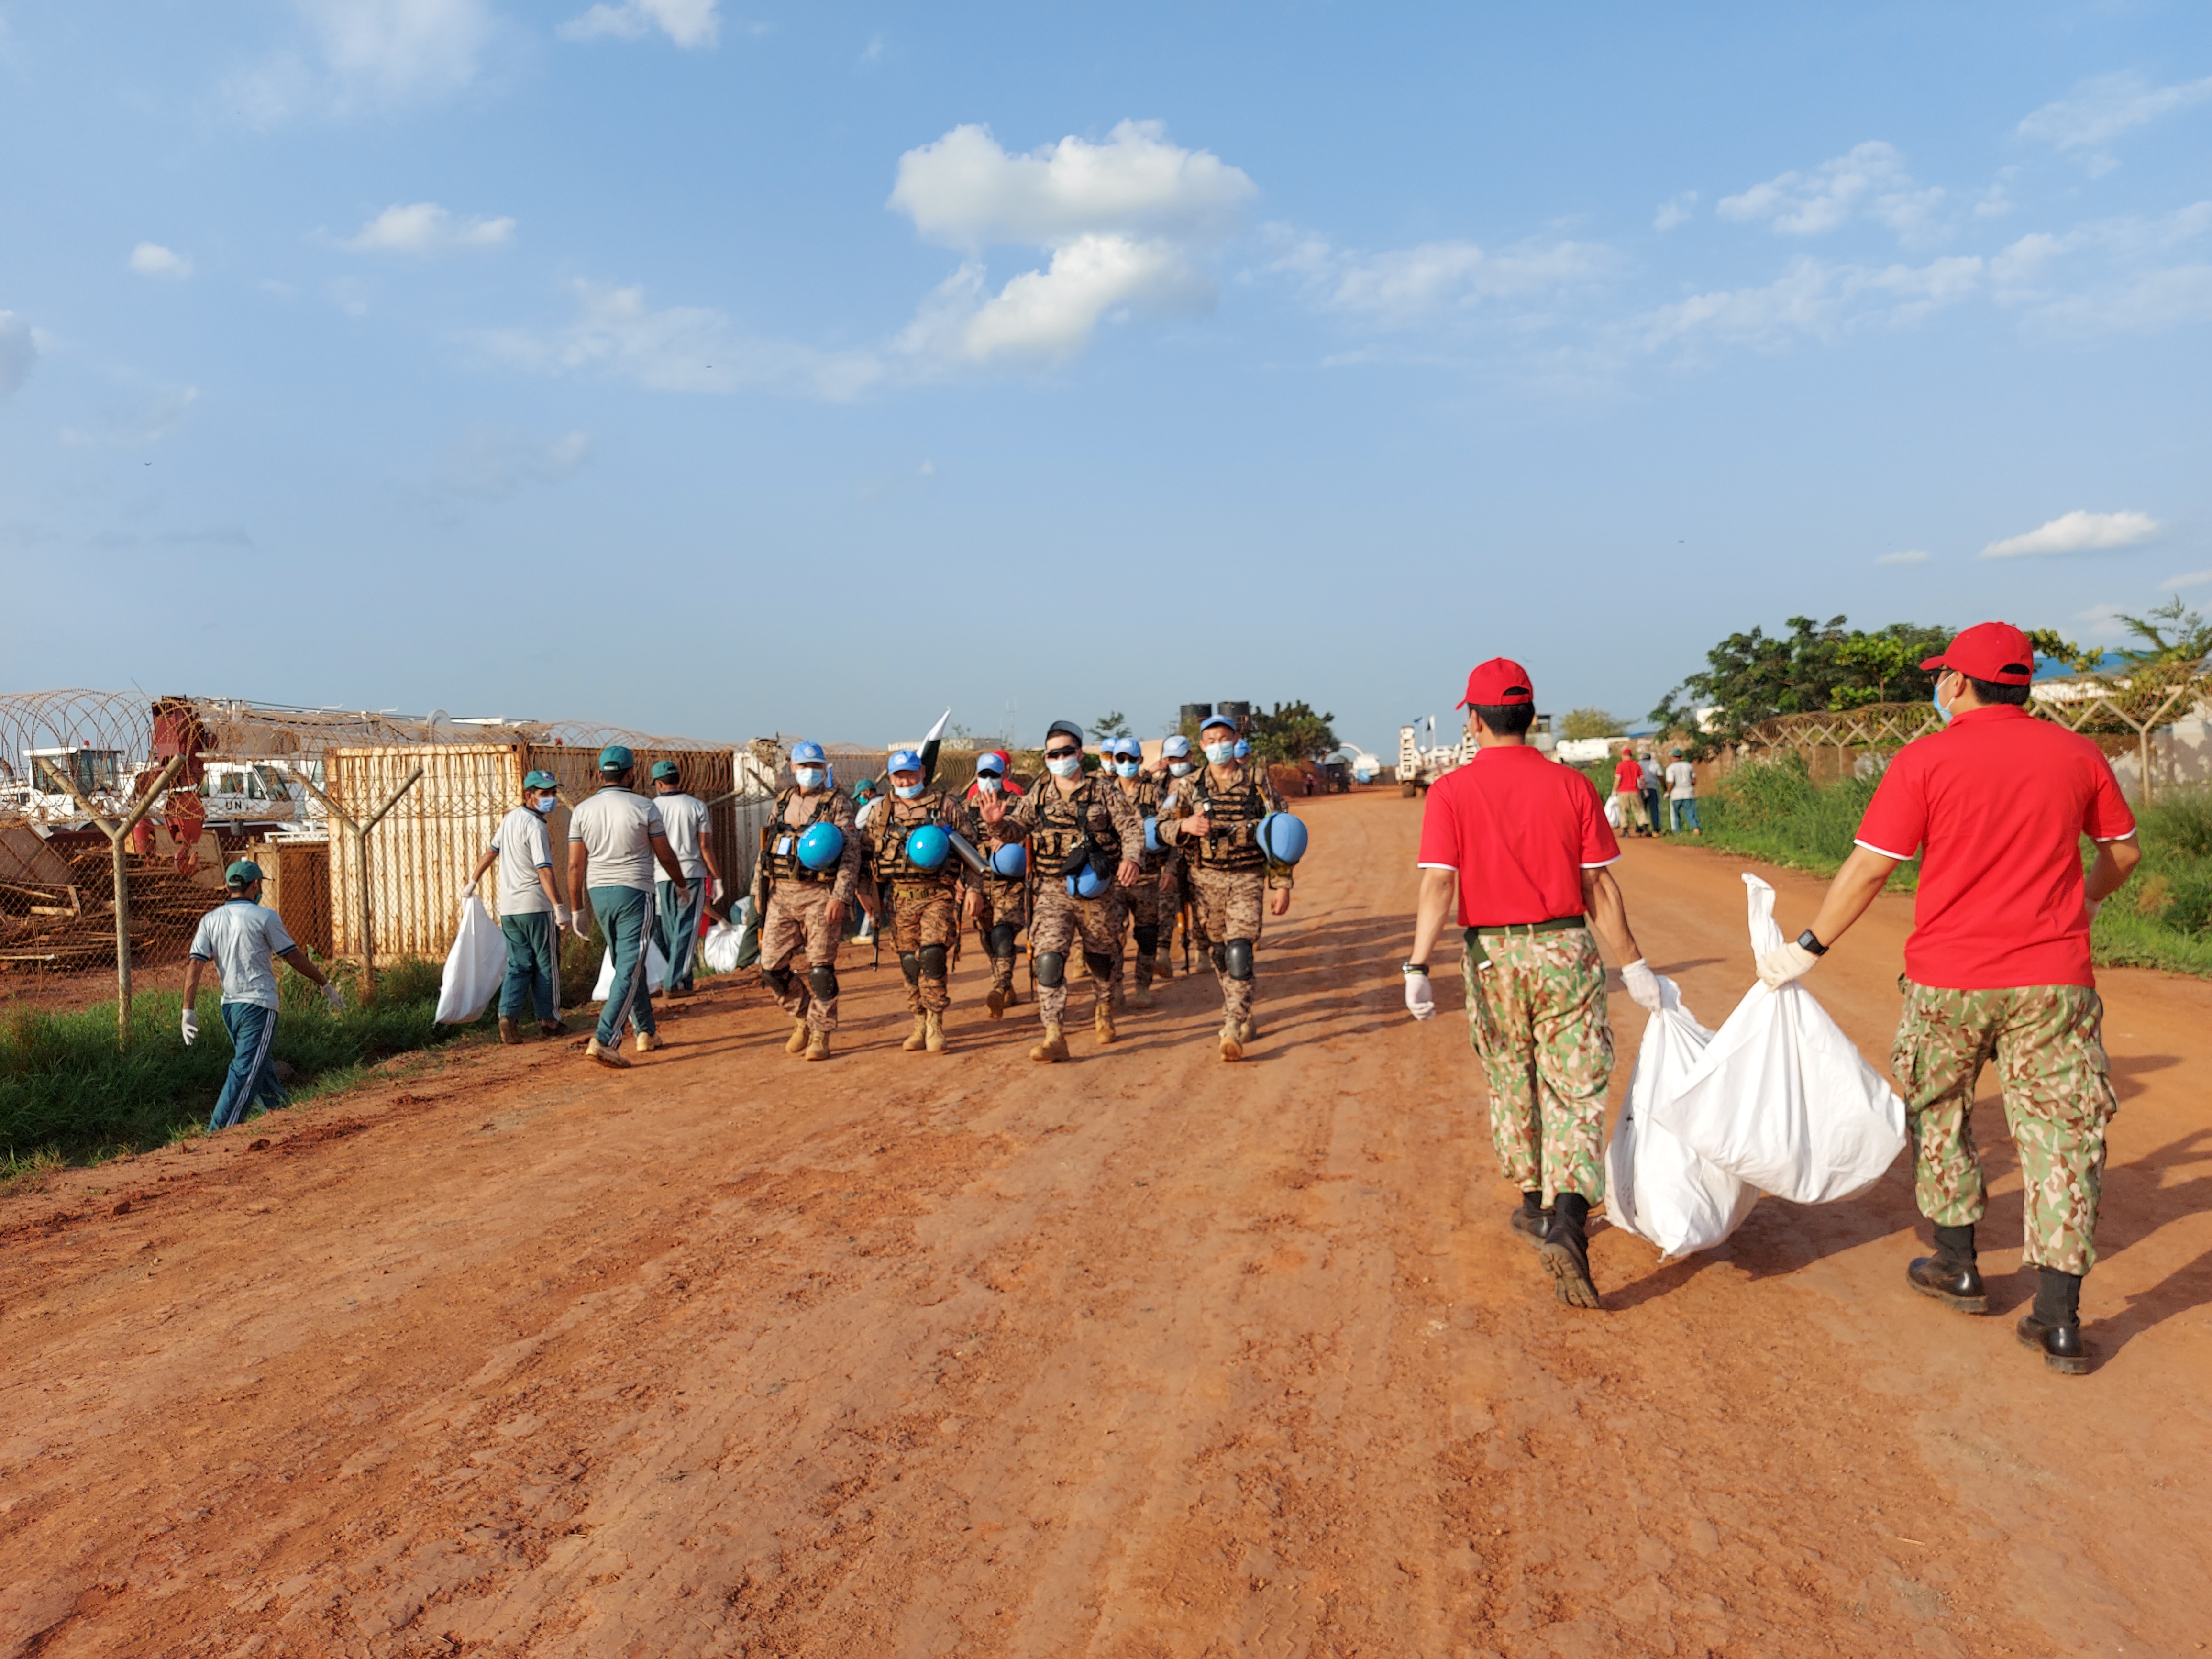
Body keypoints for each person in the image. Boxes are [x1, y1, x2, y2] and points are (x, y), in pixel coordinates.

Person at [1757, 622, 2141, 1374]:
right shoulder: (2077, 753)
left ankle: (1958, 1265)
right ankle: (2058, 1318)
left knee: (1942, 1111)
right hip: (2055, 981)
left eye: (1942, 677)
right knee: (2063, 1137)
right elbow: (2121, 852)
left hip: (1951, 981)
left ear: (1957, 683)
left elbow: (1871, 869)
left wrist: (1807, 948)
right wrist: (2088, 905)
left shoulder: (1925, 759)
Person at [1403, 658, 1665, 1310]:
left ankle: (1531, 1205)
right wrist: (1632, 964)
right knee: (1575, 1085)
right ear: (1529, 715)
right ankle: (1571, 1219)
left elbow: (1439, 884)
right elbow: (1598, 885)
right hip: (1566, 946)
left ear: (1473, 719)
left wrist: (1417, 966)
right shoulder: (1571, 785)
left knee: (1510, 1077)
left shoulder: (1451, 792)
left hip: (1493, 953)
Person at [982, 720, 1144, 1062]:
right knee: (1048, 958)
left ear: (1079, 754)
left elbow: (1131, 828)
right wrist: (997, 822)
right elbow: (1015, 832)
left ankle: (1104, 1010)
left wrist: (1132, 859)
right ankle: (1054, 1033)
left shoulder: (1104, 791)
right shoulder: (1038, 795)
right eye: (1053, 754)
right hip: (1052, 890)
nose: (1060, 758)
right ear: (1046, 758)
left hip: (1099, 889)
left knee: (1101, 957)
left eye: (1066, 752)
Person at [1158, 713, 1293, 1061]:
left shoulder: (1258, 782)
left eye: (1224, 739)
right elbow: (1161, 827)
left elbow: (1281, 833)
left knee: (1240, 950)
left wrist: (1281, 884)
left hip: (1247, 878)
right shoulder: (1187, 786)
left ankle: (1231, 1026)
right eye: (1211, 740)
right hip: (1205, 881)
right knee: (1219, 952)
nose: (1219, 746)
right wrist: (1185, 825)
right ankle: (1242, 1007)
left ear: (1235, 741)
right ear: (1202, 746)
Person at [182, 858, 345, 1131]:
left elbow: (196, 964)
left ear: (228, 886)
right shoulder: (265, 917)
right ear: (255, 885)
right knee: (245, 1070)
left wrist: (188, 1009)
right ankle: (220, 1131)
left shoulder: (210, 920)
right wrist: (325, 984)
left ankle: (284, 1119)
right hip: (258, 1005)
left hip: (230, 1008)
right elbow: (292, 957)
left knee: (260, 1066)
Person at [566, 745, 689, 1068]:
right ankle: (605, 1039)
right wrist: (681, 883)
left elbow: (576, 867)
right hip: (635, 891)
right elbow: (665, 855)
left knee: (629, 964)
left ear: (599, 774)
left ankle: (646, 1031)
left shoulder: (582, 811)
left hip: (599, 893)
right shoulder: (645, 807)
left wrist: (577, 909)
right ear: (632, 773)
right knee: (629, 968)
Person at [753, 740, 863, 1061]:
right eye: (803, 767)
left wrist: (840, 896)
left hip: (820, 895)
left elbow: (851, 853)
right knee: (771, 969)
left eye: (815, 767)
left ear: (824, 768)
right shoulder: (783, 801)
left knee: (820, 970)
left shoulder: (837, 804)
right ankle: (803, 1016)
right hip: (782, 895)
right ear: (793, 767)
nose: (809, 773)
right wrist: (758, 893)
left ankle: (820, 1032)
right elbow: (768, 847)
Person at [872, 748, 983, 1053]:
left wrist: (974, 889)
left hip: (938, 893)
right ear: (890, 777)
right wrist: (865, 895)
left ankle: (935, 1021)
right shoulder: (881, 811)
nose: (905, 780)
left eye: (910, 773)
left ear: (922, 772)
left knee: (932, 953)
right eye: (899, 775)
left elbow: (971, 852)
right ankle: (918, 1021)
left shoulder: (946, 807)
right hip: (900, 897)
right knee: (910, 962)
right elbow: (866, 853)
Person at [464, 769, 571, 1044]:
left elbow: (491, 852)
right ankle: (550, 1020)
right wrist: (559, 906)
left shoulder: (510, 820)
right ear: (529, 796)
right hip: (536, 905)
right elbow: (544, 870)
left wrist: (472, 882)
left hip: (509, 908)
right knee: (547, 965)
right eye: (544, 794)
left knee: (519, 964)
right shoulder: (536, 826)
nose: (551, 799)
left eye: (553, 793)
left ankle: (507, 1016)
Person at [1103, 736, 1170, 1009]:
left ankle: (1142, 985)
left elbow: (1171, 835)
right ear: (1114, 762)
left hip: (1149, 878)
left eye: (1132, 759)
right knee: (1113, 935)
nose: (1127, 764)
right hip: (1115, 879)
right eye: (1121, 759)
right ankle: (1116, 983)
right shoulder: (1104, 794)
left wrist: (1171, 869)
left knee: (1146, 935)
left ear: (1140, 761)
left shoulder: (1156, 795)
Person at [650, 759, 723, 997]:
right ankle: (673, 982)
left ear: (659, 784)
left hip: (662, 875)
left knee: (673, 929)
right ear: (679, 780)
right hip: (692, 873)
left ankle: (684, 982)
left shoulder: (650, 808)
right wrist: (717, 877)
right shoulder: (697, 806)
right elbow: (705, 846)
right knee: (688, 928)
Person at [969, 750, 1028, 1018]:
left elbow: (1033, 836)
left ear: (1004, 776)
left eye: (995, 775)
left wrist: (1008, 837)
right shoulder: (967, 809)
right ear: (977, 776)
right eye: (984, 775)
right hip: (980, 884)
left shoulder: (1019, 805)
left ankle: (1000, 986)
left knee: (1004, 934)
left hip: (1011, 883)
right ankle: (1005, 981)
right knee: (988, 936)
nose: (989, 780)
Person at [1151, 733, 1199, 978]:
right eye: (1170, 759)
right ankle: (1163, 954)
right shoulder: (1158, 785)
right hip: (1170, 852)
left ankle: (1203, 949)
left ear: (1190, 756)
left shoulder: (1201, 780)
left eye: (1179, 758)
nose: (1175, 763)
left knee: (1199, 901)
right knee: (1167, 902)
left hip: (1197, 852)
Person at [1610, 746, 1648, 839]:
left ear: (1624, 756)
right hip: (1635, 791)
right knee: (1639, 809)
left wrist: (1614, 790)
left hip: (1623, 791)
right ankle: (1645, 828)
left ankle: (1625, 831)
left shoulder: (1621, 766)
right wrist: (1645, 789)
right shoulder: (1637, 765)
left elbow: (1618, 780)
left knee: (1624, 811)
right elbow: (1642, 779)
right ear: (1631, 756)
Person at [1664, 748, 1701, 835]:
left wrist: (1667, 792)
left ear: (1672, 757)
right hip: (1688, 793)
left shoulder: (1671, 768)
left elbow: (1671, 782)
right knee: (1690, 813)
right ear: (1681, 756)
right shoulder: (1689, 766)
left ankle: (1678, 832)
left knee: (1675, 815)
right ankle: (1695, 828)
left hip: (1676, 794)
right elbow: (1694, 781)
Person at [1638, 750, 1664, 837]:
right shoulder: (1655, 764)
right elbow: (1660, 777)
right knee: (1654, 809)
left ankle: (1640, 829)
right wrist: (1665, 788)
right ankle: (1656, 829)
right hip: (1653, 788)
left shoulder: (1639, 764)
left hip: (1641, 789)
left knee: (1641, 810)